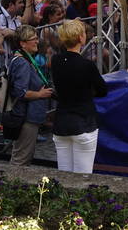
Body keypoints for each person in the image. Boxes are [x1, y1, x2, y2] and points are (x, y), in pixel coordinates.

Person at [50, 19, 107, 174]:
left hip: (62, 123)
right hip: (84, 122)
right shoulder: (87, 65)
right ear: (81, 38)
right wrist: (88, 93)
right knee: (83, 176)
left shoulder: (56, 61)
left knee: (64, 175)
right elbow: (102, 90)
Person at [7, 25, 53, 166]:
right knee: (21, 159)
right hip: (26, 116)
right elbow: (21, 91)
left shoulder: (22, 59)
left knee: (23, 156)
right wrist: (40, 94)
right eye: (33, 39)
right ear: (23, 43)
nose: (37, 41)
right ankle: (12, 180)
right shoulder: (22, 62)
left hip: (27, 114)